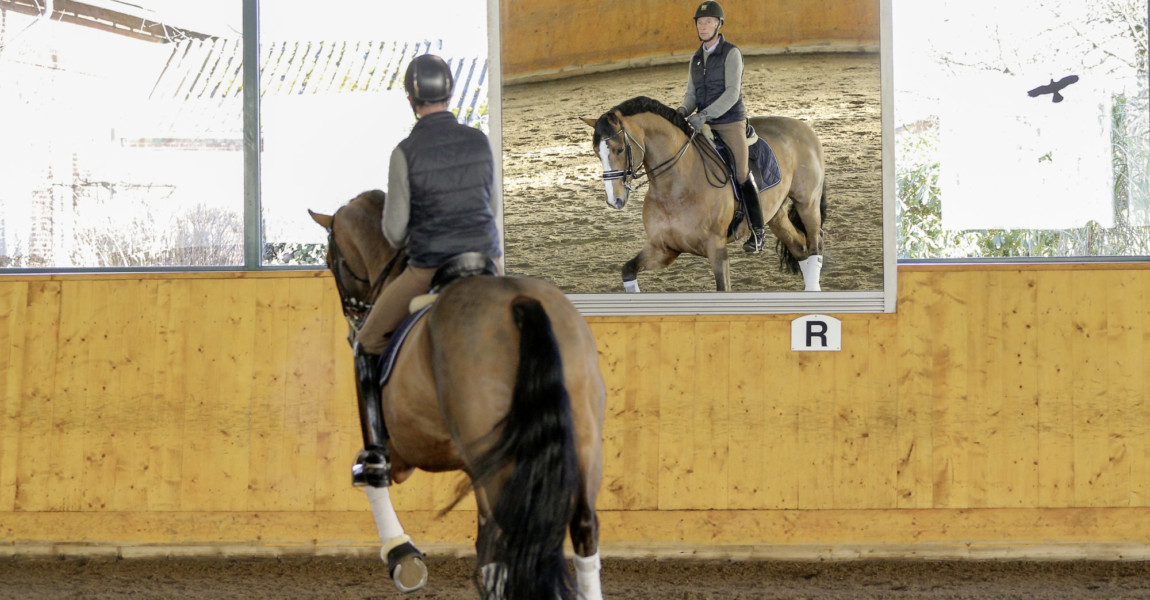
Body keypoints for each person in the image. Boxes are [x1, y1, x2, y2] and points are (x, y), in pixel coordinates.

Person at [350, 53, 502, 488]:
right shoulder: (479, 141)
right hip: (486, 264)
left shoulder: (406, 152)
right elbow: (490, 211)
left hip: (431, 269)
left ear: (411, 98)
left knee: (366, 342)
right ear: (450, 92)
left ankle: (377, 454)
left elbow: (395, 232)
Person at [676, 0, 765, 254]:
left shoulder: (732, 53)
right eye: (700, 22)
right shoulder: (695, 58)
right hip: (703, 121)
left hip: (730, 121)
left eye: (708, 22)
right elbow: (691, 93)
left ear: (719, 24)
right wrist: (682, 111)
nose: (703, 26)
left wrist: (704, 115)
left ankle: (758, 232)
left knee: (740, 172)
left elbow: (731, 93)